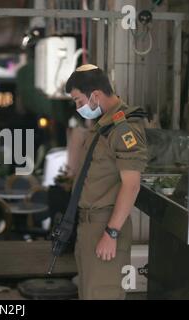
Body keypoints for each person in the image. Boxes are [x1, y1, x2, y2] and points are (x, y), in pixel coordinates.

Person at [65, 64, 148, 299]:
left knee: (103, 294)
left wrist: (111, 234)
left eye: (79, 101)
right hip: (89, 226)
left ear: (96, 95)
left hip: (106, 226)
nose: (78, 107)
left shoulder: (123, 129)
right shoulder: (104, 125)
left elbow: (131, 185)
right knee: (90, 293)